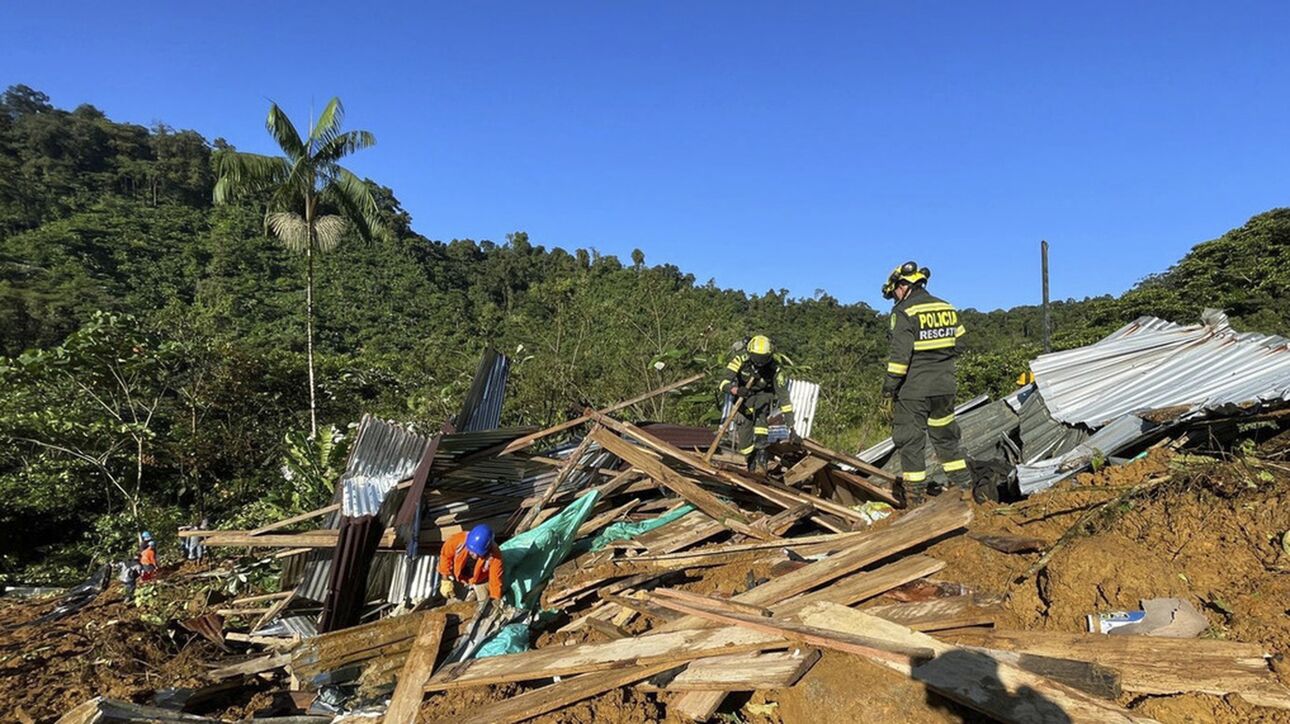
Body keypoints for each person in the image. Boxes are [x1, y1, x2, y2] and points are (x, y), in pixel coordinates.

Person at [879, 261, 971, 506]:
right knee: (946, 439)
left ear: (902, 285)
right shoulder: (947, 307)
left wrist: (888, 390)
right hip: (945, 387)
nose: (895, 298)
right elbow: (961, 343)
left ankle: (914, 501)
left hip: (914, 390)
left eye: (894, 293)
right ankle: (964, 490)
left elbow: (899, 359)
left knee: (910, 441)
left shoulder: (904, 311)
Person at [718, 334, 796, 472]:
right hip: (743, 397)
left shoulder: (775, 370)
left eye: (763, 359)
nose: (759, 362)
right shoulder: (740, 360)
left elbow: (784, 398)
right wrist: (736, 390)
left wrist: (791, 426)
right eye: (756, 358)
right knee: (745, 438)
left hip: (763, 396)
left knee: (762, 407)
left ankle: (761, 452)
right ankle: (750, 460)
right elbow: (723, 383)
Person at [437, 524, 504, 602]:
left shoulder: (495, 555)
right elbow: (445, 556)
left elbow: (495, 580)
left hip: (480, 580)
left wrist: (495, 600)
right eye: (472, 552)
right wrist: (445, 580)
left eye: (478, 553)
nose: (474, 555)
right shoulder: (457, 540)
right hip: (458, 576)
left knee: (484, 605)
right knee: (455, 605)